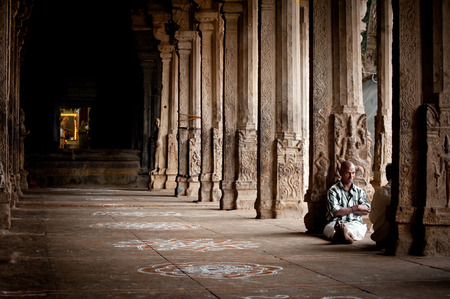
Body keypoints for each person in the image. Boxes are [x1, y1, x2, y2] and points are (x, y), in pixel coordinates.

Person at [324, 160, 371, 244]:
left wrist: (345, 210)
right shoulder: (333, 190)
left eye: (353, 173)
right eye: (347, 173)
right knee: (329, 229)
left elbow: (367, 209)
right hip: (336, 222)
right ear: (341, 173)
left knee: (358, 229)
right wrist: (356, 208)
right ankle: (340, 234)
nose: (351, 176)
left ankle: (346, 234)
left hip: (355, 222)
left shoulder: (359, 191)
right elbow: (336, 212)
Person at [369, 163, 392, 249]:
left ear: (386, 176)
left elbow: (372, 218)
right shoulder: (403, 195)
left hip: (379, 236)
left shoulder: (379, 192)